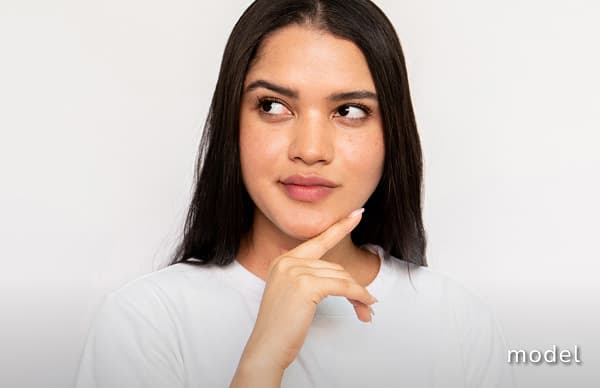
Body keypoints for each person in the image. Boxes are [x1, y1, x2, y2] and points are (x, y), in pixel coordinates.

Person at [76, 0, 515, 387]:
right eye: (273, 106)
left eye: (349, 111)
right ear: (233, 124)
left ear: (392, 135)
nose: (309, 150)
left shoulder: (457, 323)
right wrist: (261, 362)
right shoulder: (145, 323)